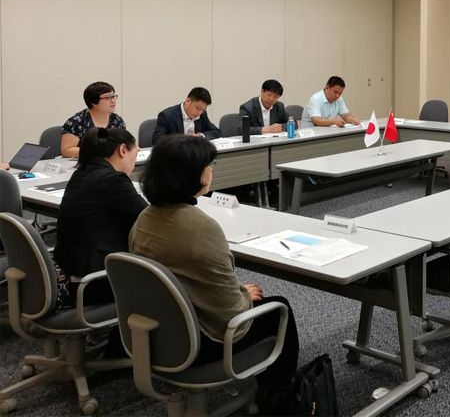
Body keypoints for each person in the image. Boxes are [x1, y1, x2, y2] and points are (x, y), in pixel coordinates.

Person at [130, 135, 299, 413]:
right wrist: (243, 296)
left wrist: (239, 291)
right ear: (194, 175)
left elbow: (181, 277)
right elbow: (229, 314)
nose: (211, 171)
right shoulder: (202, 227)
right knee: (280, 308)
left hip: (155, 335)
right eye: (209, 165)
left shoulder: (144, 218)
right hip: (201, 342)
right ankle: (278, 397)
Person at [55, 127, 147, 304]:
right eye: (135, 155)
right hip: (98, 282)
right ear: (122, 150)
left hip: (74, 275)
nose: (134, 163)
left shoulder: (81, 173)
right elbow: (149, 219)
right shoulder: (114, 180)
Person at [61, 82, 126, 158]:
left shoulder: (117, 120)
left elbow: (124, 143)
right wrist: (99, 152)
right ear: (94, 102)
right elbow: (67, 150)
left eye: (113, 96)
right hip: (85, 162)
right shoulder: (76, 122)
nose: (113, 100)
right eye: (108, 98)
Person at [152, 87, 222, 144]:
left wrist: (200, 136)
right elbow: (157, 139)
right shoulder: (167, 115)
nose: (199, 113)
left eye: (203, 109)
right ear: (188, 101)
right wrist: (185, 140)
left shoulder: (202, 114)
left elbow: (216, 131)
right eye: (198, 108)